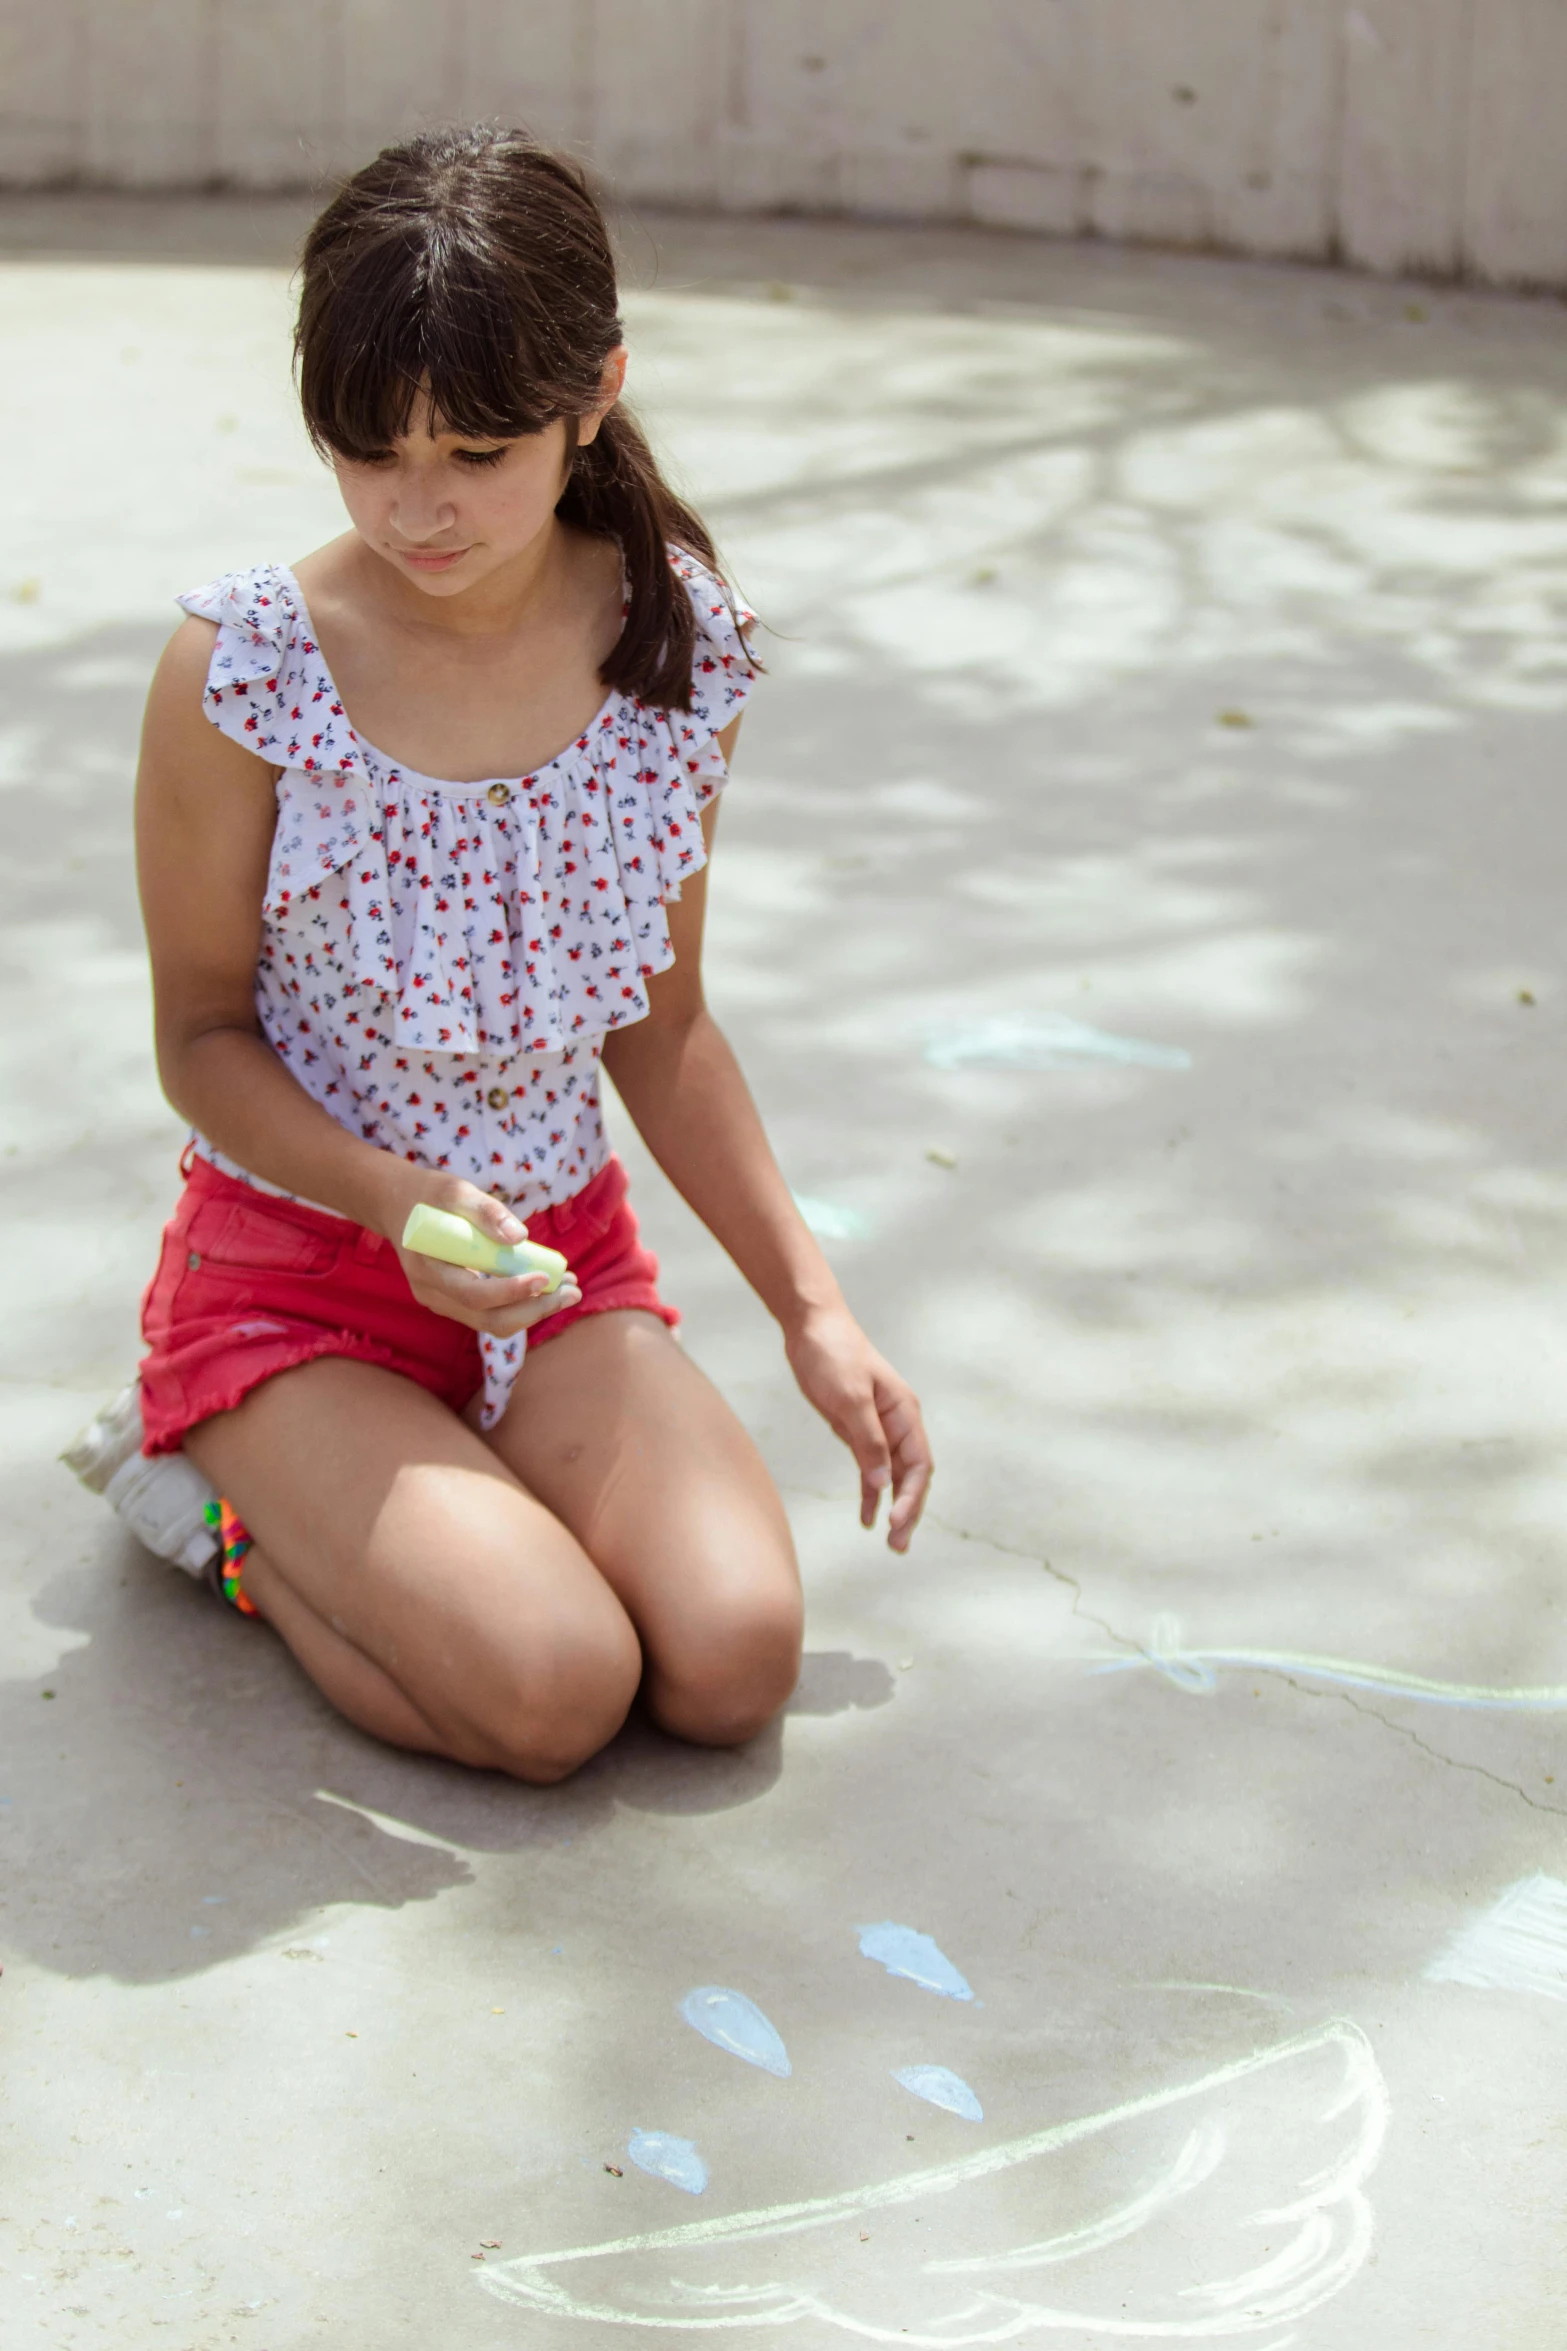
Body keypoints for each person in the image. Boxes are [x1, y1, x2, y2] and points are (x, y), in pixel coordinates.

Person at [118, 126, 932, 1784]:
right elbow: (200, 1035)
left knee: (725, 1662)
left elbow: (663, 1023)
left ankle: (445, 1510)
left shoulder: (672, 643)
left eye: (476, 452)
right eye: (366, 449)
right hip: (300, 1283)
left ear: (596, 392)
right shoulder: (247, 665)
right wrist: (391, 1203)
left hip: (556, 1275)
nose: (418, 506)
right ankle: (211, 1510)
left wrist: (812, 1308)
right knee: (554, 1692)